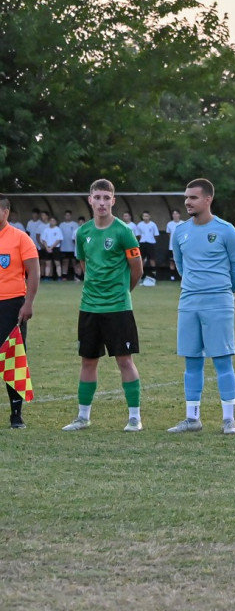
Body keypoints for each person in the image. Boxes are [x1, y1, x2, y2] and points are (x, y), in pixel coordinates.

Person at [62, 180, 144, 432]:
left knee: (124, 361)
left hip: (118, 308)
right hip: (89, 307)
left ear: (113, 201)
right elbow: (84, 265)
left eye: (106, 198)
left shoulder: (123, 231)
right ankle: (83, 417)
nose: (101, 202)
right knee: (88, 361)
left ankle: (134, 418)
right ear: (89, 200)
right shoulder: (83, 232)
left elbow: (137, 269)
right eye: (97, 197)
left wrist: (121, 292)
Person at [167, 179, 235, 436]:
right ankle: (192, 418)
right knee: (192, 360)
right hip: (189, 302)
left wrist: (223, 292)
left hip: (218, 302)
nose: (188, 202)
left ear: (208, 199)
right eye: (186, 198)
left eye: (193, 197)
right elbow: (181, 266)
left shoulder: (226, 230)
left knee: (222, 360)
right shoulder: (180, 232)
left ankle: (228, 420)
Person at [0, 195, 39, 428]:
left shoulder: (20, 238)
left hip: (12, 305)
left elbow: (34, 272)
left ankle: (16, 415)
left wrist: (28, 303)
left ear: (6, 211)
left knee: (12, 358)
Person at [134, 211, 160, 278]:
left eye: (147, 216)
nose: (145, 217)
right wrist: (142, 239)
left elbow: (156, 235)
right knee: (142, 260)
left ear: (149, 216)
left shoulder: (153, 224)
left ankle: (154, 276)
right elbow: (138, 234)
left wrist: (151, 240)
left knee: (152, 260)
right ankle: (141, 276)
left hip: (151, 244)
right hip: (143, 244)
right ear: (142, 217)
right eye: (144, 216)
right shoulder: (139, 224)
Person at [40, 216, 63, 281]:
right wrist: (47, 248)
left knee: (57, 263)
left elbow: (58, 240)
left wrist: (51, 247)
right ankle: (47, 277)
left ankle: (59, 277)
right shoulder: (46, 230)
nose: (52, 222)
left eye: (53, 221)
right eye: (51, 220)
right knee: (48, 263)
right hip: (47, 248)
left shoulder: (58, 229)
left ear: (56, 222)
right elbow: (43, 239)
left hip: (55, 248)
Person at [58, 211, 80, 280]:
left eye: (69, 215)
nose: (67, 216)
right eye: (66, 215)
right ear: (64, 216)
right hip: (64, 247)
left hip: (73, 248)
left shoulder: (75, 224)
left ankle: (76, 276)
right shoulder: (61, 225)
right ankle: (64, 276)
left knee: (74, 262)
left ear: (71, 216)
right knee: (65, 262)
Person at [165, 209, 184, 281]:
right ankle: (172, 277)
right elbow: (169, 234)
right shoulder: (169, 224)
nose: (175, 215)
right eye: (173, 214)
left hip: (181, 246)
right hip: (172, 247)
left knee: (182, 261)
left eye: (176, 214)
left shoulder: (183, 223)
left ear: (179, 215)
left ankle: (182, 277)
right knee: (172, 262)